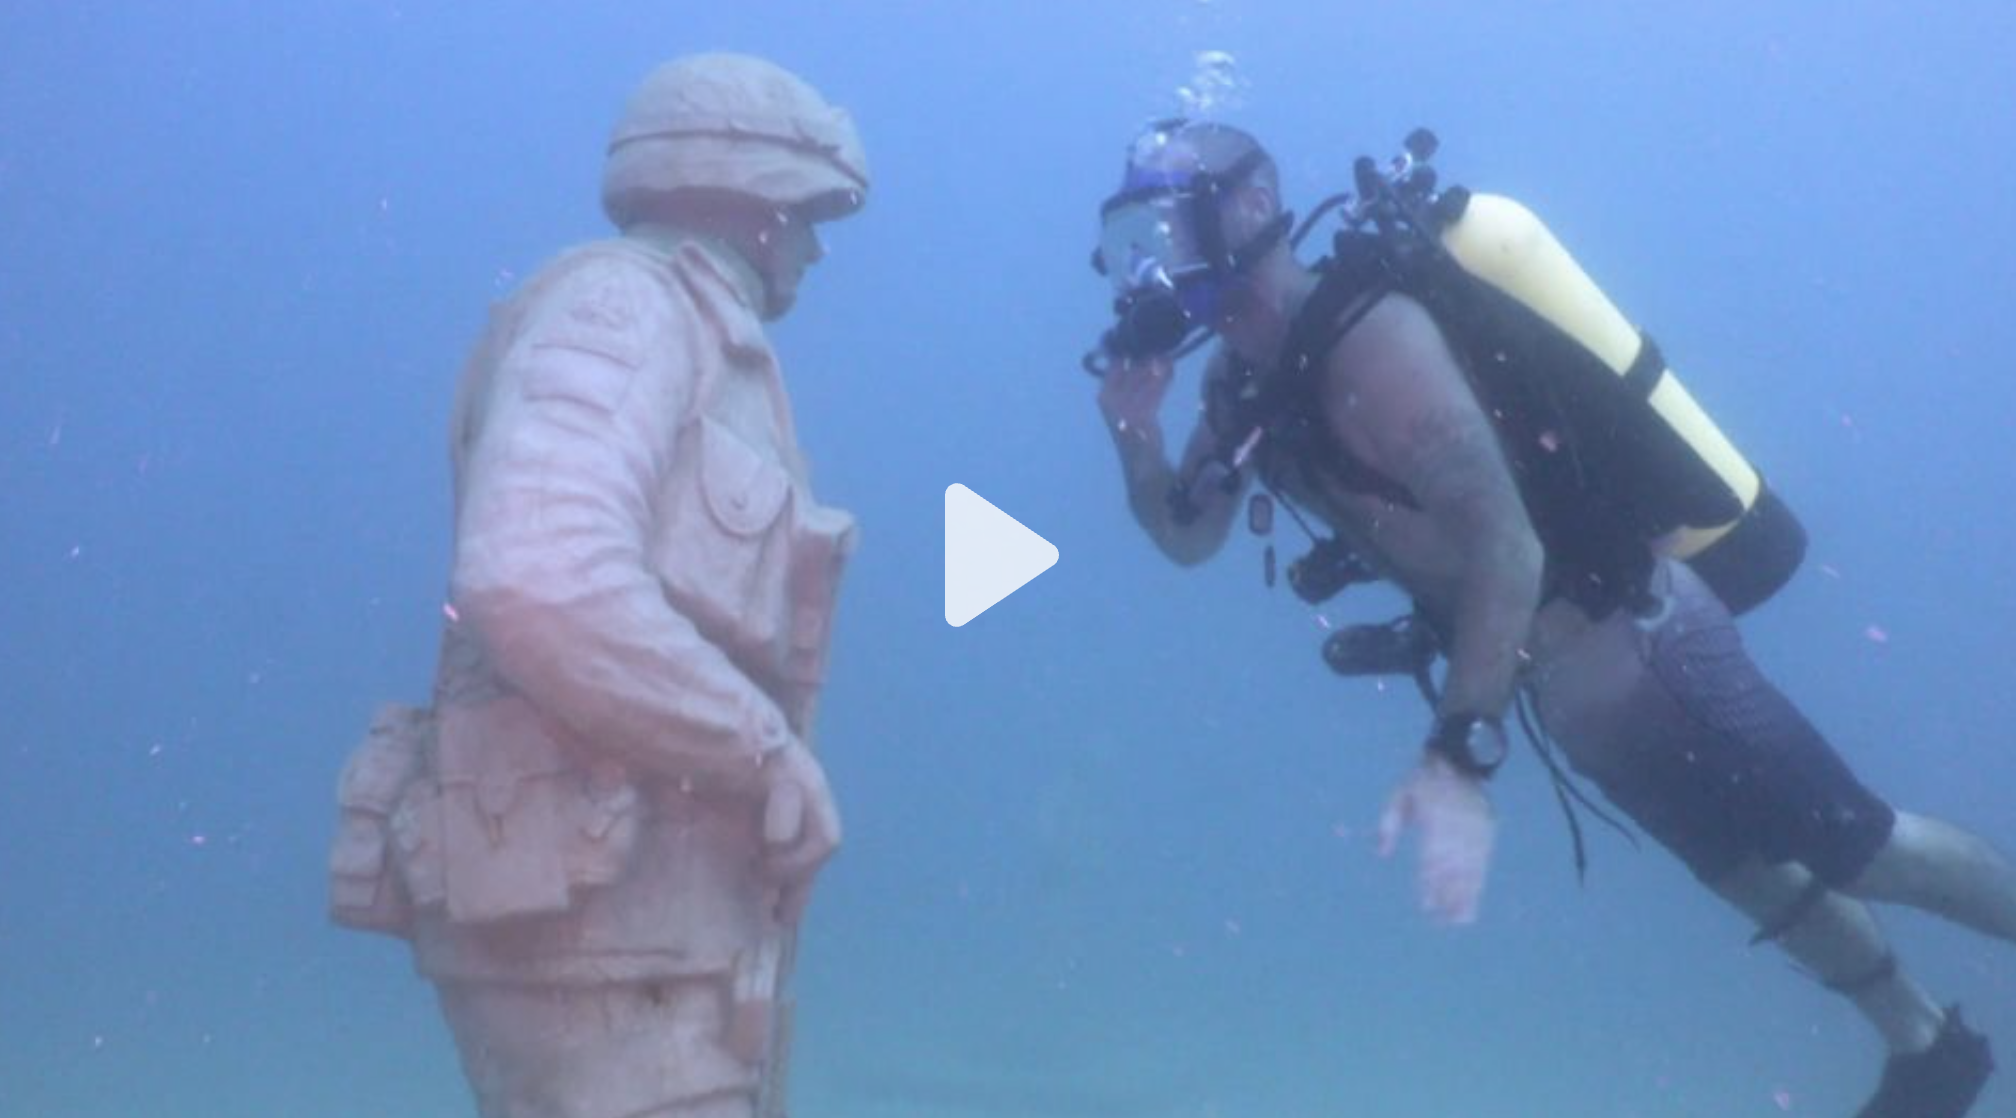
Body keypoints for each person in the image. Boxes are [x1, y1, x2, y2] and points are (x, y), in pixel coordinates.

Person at [1089, 118, 2013, 1117]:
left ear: (1253, 207)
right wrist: (1138, 437)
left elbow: (1509, 546)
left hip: (1647, 642)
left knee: (1855, 844)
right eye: (1138, 243)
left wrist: (1458, 752)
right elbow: (1188, 539)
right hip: (1560, 689)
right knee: (1755, 878)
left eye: (1169, 231)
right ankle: (1924, 1042)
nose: (1157, 269)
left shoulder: (1376, 337)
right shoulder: (1240, 389)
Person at [325, 53, 869, 1118]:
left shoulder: (704, 339)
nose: (811, 243)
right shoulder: (622, 309)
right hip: (597, 935)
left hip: (659, 935)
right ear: (746, 195)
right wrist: (758, 747)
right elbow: (535, 571)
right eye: (806, 213)